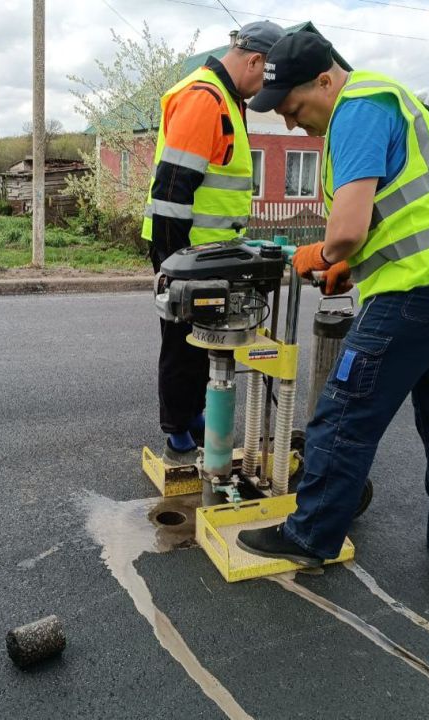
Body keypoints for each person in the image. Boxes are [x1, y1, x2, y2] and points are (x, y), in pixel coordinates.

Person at [236, 31, 429, 588]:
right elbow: (399, 211)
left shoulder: (354, 112)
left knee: (344, 410)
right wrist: (348, 266)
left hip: (421, 289)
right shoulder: (384, 96)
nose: (289, 123)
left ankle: (309, 536)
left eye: (293, 108)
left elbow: (349, 229)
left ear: (326, 81)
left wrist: (321, 254)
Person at [143, 21, 285, 465]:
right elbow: (171, 190)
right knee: (182, 340)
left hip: (211, 250)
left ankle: (193, 415)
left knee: (205, 340)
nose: (265, 90)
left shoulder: (226, 99)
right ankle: (177, 431)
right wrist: (173, 265)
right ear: (254, 61)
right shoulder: (205, 98)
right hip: (186, 250)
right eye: (266, 78)